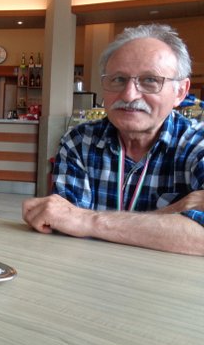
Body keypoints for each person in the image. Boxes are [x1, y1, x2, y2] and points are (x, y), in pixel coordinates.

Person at [22, 23, 204, 255]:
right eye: (118, 79)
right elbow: (63, 225)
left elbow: (77, 220)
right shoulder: (80, 142)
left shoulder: (197, 144)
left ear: (180, 92)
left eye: (150, 80)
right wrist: (172, 212)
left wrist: (87, 221)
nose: (129, 95)